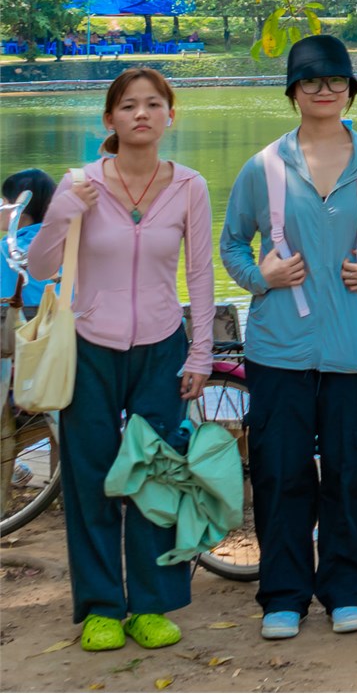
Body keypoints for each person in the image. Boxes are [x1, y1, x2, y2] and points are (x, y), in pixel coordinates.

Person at [218, 36, 357, 640]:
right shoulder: (265, 167)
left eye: (335, 81)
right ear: (293, 92)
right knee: (280, 470)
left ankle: (347, 587)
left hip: (356, 347)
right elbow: (231, 244)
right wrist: (260, 277)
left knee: (353, 471)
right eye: (310, 81)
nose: (323, 90)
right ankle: (283, 593)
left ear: (351, 90)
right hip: (279, 347)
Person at [26, 70, 213, 654]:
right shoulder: (79, 184)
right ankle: (103, 606)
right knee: (91, 478)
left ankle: (152, 604)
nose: (141, 114)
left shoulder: (190, 186)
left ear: (169, 116)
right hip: (90, 346)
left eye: (153, 105)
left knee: (157, 476)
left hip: (162, 347)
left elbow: (203, 276)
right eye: (128, 106)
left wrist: (201, 350)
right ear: (109, 120)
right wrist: (60, 212)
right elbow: (36, 270)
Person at [3, 167, 57, 315]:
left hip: (17, 325)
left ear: (20, 212)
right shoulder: (64, 243)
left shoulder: (6, 249)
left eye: (4, 201)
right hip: (62, 323)